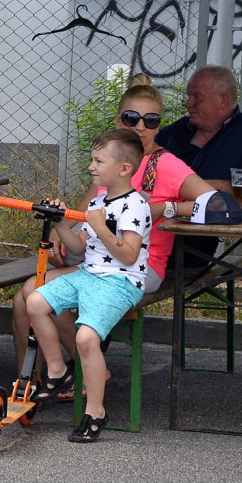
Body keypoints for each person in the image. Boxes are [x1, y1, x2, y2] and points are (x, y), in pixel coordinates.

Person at [9, 75, 216, 388]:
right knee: (24, 297)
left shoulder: (166, 164)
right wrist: (59, 230)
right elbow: (84, 210)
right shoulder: (111, 161)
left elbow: (215, 204)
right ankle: (31, 384)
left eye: (151, 120)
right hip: (98, 259)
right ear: (119, 120)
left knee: (34, 293)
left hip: (138, 267)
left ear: (159, 125)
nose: (140, 127)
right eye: (132, 118)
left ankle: (85, 372)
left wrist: (165, 208)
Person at [25, 129, 151, 443]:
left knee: (85, 336)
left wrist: (100, 227)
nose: (91, 167)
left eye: (98, 161)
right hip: (88, 273)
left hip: (120, 282)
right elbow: (79, 249)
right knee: (36, 302)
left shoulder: (135, 206)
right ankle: (57, 370)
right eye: (92, 160)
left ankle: (95, 411)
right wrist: (58, 222)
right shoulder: (98, 200)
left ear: (123, 169)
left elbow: (129, 254)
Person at [156, 65, 242, 199]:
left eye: (197, 96)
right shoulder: (174, 132)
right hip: (168, 212)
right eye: (189, 96)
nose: (188, 103)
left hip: (227, 216)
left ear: (223, 100)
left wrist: (218, 187)